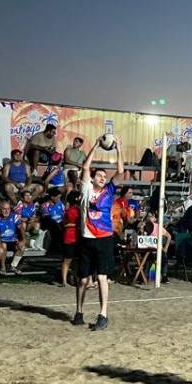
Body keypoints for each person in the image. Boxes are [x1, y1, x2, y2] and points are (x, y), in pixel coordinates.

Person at [75, 135, 122, 331]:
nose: (103, 178)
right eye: (100, 176)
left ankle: (103, 315)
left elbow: (120, 172)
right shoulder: (86, 189)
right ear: (93, 178)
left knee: (102, 277)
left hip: (104, 238)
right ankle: (79, 312)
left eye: (105, 176)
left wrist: (118, 148)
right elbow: (85, 167)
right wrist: (95, 145)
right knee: (83, 279)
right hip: (87, 238)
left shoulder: (109, 191)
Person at [0, 199, 20, 278]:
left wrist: (23, 239)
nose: (6, 211)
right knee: (3, 245)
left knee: (22, 246)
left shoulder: (15, 216)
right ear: (0, 209)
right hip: (2, 240)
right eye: (4, 209)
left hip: (12, 240)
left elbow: (21, 228)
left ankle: (13, 266)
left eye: (8, 209)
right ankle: (3, 267)